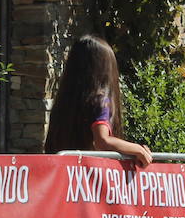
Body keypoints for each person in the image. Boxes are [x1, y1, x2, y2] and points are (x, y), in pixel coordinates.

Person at [44, 35, 151, 166]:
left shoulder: (65, 101)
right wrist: (138, 150)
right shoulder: (100, 101)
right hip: (88, 177)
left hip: (62, 173)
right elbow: (102, 140)